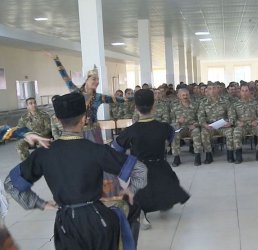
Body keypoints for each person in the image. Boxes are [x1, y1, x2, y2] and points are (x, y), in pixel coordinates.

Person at [4, 92, 147, 249]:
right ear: (84, 119)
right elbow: (140, 169)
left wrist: (39, 203)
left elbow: (11, 184)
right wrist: (130, 190)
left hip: (66, 224)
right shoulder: (97, 150)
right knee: (130, 212)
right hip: (99, 220)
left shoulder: (43, 153)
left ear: (58, 120)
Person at [112, 89, 190, 215]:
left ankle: (141, 211)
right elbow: (170, 137)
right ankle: (163, 203)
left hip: (139, 169)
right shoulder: (164, 127)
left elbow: (117, 148)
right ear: (154, 106)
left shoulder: (130, 131)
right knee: (167, 181)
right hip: (160, 166)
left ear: (136, 108)